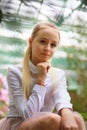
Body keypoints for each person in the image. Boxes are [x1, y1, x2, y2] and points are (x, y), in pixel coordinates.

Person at [0, 21, 86, 130]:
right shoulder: (14, 72)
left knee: (75, 119)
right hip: (19, 124)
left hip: (46, 123)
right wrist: (40, 81)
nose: (47, 48)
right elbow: (28, 115)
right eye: (42, 42)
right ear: (31, 42)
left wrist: (67, 112)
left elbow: (62, 97)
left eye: (53, 44)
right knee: (53, 119)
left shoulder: (58, 74)